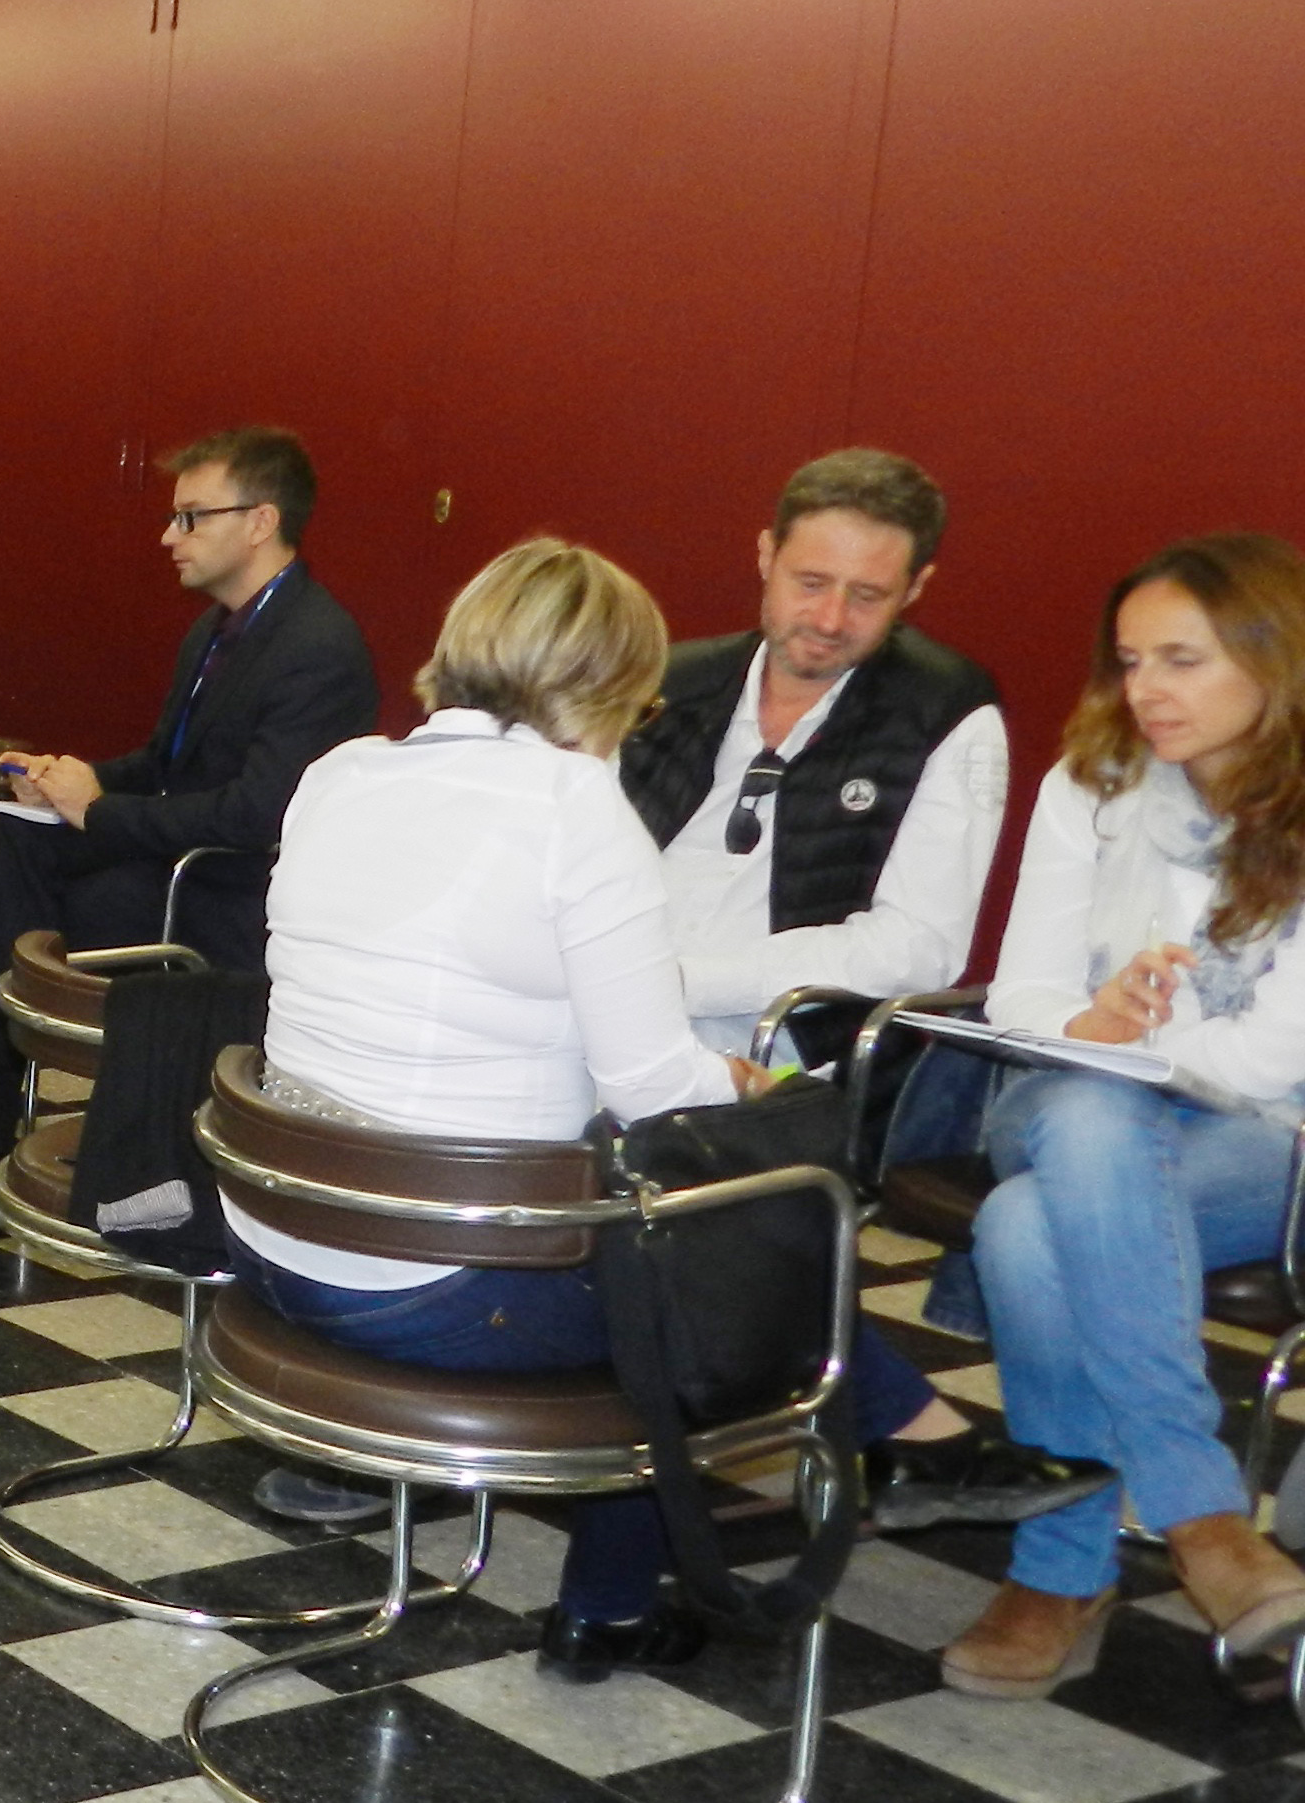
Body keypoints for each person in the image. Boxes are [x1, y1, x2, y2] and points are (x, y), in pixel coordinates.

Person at [238, 537, 1108, 1681]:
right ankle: (874, 1462)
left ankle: (902, 1453)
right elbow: (650, 1086)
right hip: (432, 1288)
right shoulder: (574, 812)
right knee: (701, 1266)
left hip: (278, 1237)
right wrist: (742, 1085)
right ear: (610, 690)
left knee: (651, 1248)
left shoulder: (342, 773)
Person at [942, 533, 1305, 1698]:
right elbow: (1020, 996)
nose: (1145, 689)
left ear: (1270, 660)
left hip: (1266, 1137)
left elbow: (1267, 1056)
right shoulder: (1088, 784)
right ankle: (1202, 1516)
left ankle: (1060, 1565)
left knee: (1021, 1229)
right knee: (1093, 1113)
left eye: (1181, 660)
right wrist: (1092, 1024)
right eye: (1130, 659)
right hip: (1063, 1102)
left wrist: (1124, 1047)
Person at [0, 426, 380, 1215]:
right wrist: (74, 784)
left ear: (259, 521)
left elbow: (256, 813)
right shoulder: (215, 630)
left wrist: (100, 812)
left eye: (191, 517)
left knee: (69, 893)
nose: (169, 536)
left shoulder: (316, 645)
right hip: (177, 861)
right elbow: (162, 763)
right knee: (20, 835)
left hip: (230, 892)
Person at [618, 448, 1009, 1056]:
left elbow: (918, 946)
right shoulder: (665, 685)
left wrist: (685, 984)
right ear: (766, 555)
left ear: (915, 588)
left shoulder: (948, 713)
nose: (830, 619)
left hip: (785, 1048)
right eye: (811, 583)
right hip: (600, 1007)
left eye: (867, 596)